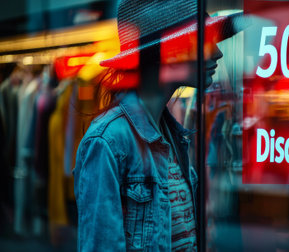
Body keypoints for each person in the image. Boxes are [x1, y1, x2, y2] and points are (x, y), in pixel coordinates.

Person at [73, 0, 248, 251]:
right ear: (171, 52)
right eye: (204, 41)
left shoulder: (173, 136)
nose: (217, 53)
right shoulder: (108, 142)